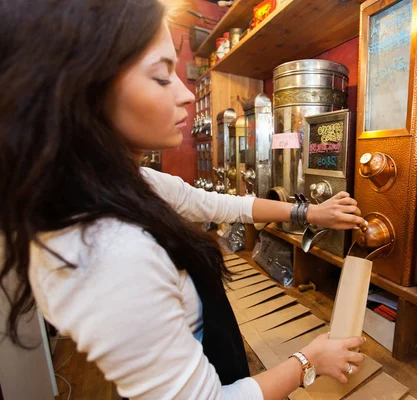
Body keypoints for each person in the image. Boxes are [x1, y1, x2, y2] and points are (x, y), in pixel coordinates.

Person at [0, 1, 367, 399]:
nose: (187, 95)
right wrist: (308, 361)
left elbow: (227, 205)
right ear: (82, 93)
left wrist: (311, 211)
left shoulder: (128, 183)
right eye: (160, 77)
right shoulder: (107, 253)